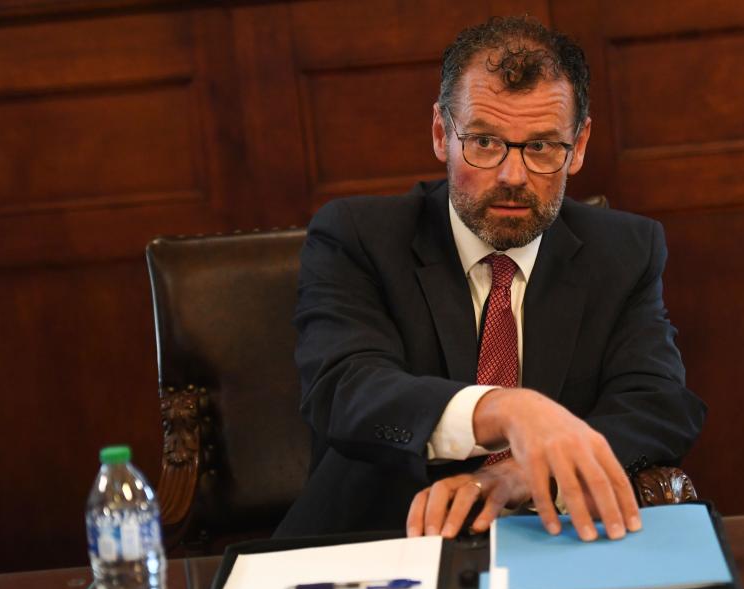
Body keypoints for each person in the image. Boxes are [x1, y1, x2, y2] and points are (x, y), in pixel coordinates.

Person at [275, 16, 705, 543]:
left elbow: (659, 404)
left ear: (581, 143)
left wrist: (525, 471)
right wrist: (503, 409)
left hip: (558, 543)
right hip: (384, 542)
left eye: (543, 147)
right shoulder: (357, 237)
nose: (512, 176)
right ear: (441, 133)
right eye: (483, 141)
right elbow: (345, 391)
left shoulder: (626, 250)